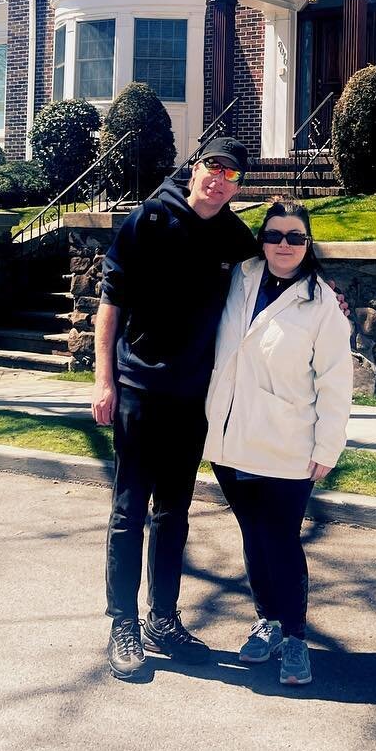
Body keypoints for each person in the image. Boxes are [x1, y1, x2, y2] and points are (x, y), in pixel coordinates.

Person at [93, 135, 258, 681]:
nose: (218, 179)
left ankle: (162, 619)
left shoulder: (231, 235)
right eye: (213, 167)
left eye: (231, 174)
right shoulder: (147, 220)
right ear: (195, 170)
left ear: (237, 187)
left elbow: (278, 266)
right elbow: (109, 305)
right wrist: (104, 382)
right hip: (138, 389)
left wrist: (324, 290)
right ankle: (123, 624)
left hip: (193, 397)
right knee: (129, 511)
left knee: (173, 514)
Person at [203, 199, 352, 687]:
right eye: (273, 235)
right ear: (260, 240)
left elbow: (335, 382)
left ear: (308, 244)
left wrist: (327, 447)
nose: (283, 245)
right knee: (253, 534)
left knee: (281, 540)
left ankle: (294, 638)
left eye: (294, 237)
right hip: (232, 438)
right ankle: (265, 621)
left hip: (288, 443)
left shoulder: (322, 304)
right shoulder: (239, 278)